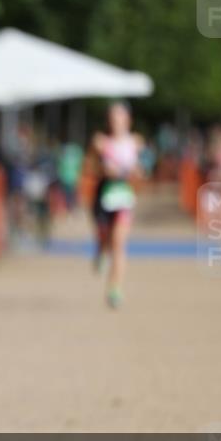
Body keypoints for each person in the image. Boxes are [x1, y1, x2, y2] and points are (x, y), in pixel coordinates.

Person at [85, 101, 144, 309]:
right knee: (104, 237)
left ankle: (114, 288)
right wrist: (102, 168)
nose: (115, 120)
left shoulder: (136, 142)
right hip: (103, 194)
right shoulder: (100, 141)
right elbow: (89, 166)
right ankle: (100, 251)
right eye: (112, 116)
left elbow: (141, 171)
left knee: (118, 244)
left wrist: (134, 172)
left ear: (128, 119)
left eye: (119, 116)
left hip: (123, 198)